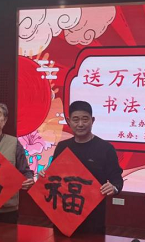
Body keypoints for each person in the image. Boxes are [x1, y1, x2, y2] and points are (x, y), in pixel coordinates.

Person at [42, 100, 123, 234]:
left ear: (93, 120)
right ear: (69, 121)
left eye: (85, 119)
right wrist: (44, 175)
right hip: (63, 215)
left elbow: (117, 179)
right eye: (76, 120)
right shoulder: (62, 147)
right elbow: (54, 177)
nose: (80, 124)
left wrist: (113, 187)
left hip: (93, 217)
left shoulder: (106, 149)